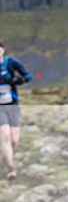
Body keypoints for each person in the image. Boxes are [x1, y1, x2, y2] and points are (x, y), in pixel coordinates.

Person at [0, 40, 32, 180]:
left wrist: (16, 80)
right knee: (5, 136)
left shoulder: (12, 63)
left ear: (3, 49)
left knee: (14, 140)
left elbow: (28, 76)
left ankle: (6, 157)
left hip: (12, 105)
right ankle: (11, 168)